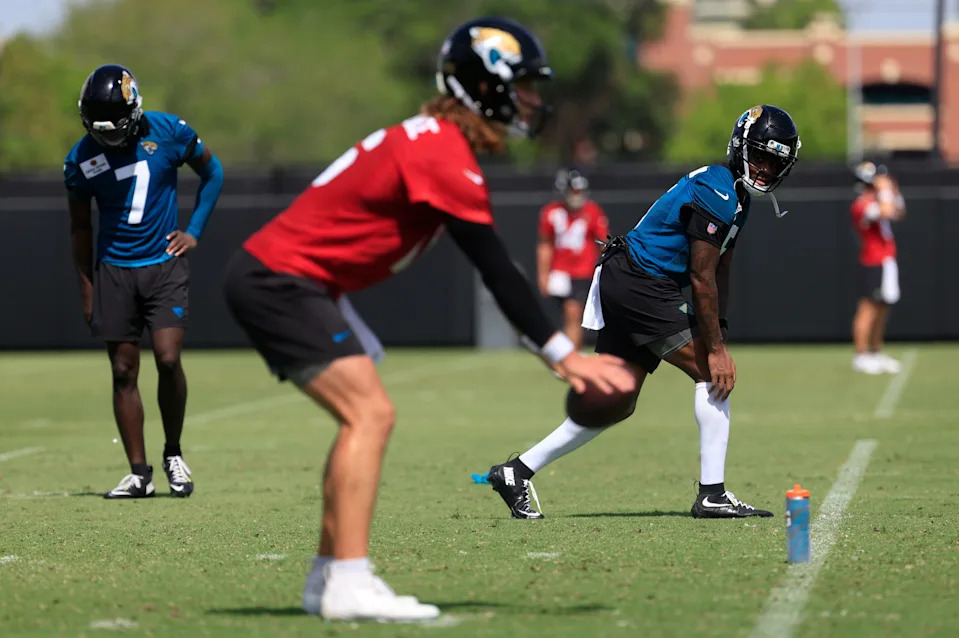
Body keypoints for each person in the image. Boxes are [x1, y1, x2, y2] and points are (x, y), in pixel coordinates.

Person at [223, 18, 634, 622]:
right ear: (483, 86)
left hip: (297, 281)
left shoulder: (430, 141)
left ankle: (327, 577)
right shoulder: (441, 151)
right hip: (284, 282)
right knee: (370, 414)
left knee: (363, 415)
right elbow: (495, 265)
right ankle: (348, 581)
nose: (531, 101)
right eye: (521, 86)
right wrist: (564, 356)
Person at [488, 105, 801, 520]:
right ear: (740, 148)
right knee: (711, 371)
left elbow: (721, 269)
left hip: (632, 279)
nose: (764, 168)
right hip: (641, 281)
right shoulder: (720, 191)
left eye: (774, 162)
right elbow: (702, 277)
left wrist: (719, 330)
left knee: (616, 399)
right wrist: (717, 347)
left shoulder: (734, 195)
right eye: (759, 156)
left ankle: (516, 472)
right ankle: (712, 493)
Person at [65, 64, 224, 499]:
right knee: (122, 370)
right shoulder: (80, 158)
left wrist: (195, 230)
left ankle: (173, 452)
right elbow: (80, 229)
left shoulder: (169, 130)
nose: (109, 138)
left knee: (168, 359)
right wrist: (87, 289)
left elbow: (214, 173)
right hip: (114, 270)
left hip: (164, 265)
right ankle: (139, 473)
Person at [537, 169, 609, 350]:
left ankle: (572, 356)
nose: (576, 196)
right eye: (573, 191)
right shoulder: (552, 212)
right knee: (567, 315)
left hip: (582, 270)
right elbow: (545, 245)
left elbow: (603, 242)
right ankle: (572, 354)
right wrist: (543, 275)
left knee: (573, 313)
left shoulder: (592, 211)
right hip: (559, 272)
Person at [850, 161, 906, 375]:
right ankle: (861, 354)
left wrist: (891, 189)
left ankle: (875, 351)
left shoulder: (876, 199)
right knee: (868, 308)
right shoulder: (861, 205)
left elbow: (899, 211)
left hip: (885, 261)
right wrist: (884, 190)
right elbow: (886, 210)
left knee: (883, 307)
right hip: (873, 261)